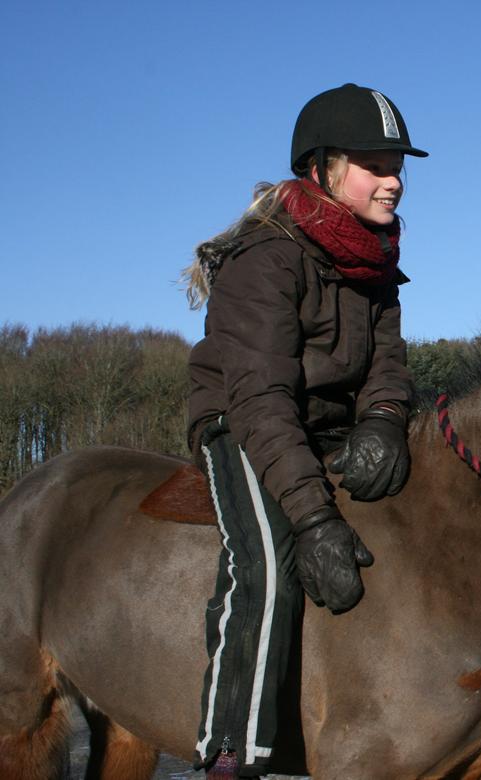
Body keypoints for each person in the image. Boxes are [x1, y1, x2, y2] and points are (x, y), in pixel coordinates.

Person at [181, 83, 426, 778]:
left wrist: (383, 420)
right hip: (244, 419)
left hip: (330, 425)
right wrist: (314, 519)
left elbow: (389, 362)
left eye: (398, 166)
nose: (394, 181)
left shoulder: (376, 259)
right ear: (320, 168)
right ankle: (230, 754)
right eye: (375, 164)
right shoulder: (266, 255)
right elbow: (261, 397)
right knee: (265, 565)